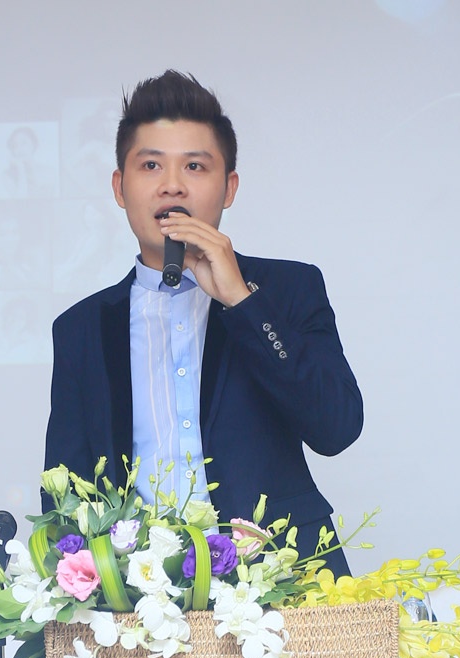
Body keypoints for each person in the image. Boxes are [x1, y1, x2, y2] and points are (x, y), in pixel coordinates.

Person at [43, 71, 363, 576]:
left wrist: (242, 301)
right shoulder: (80, 328)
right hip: (137, 595)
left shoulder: (287, 289)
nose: (172, 184)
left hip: (282, 580)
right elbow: (65, 492)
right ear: (120, 187)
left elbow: (337, 428)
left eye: (195, 166)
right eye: (150, 165)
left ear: (229, 187)